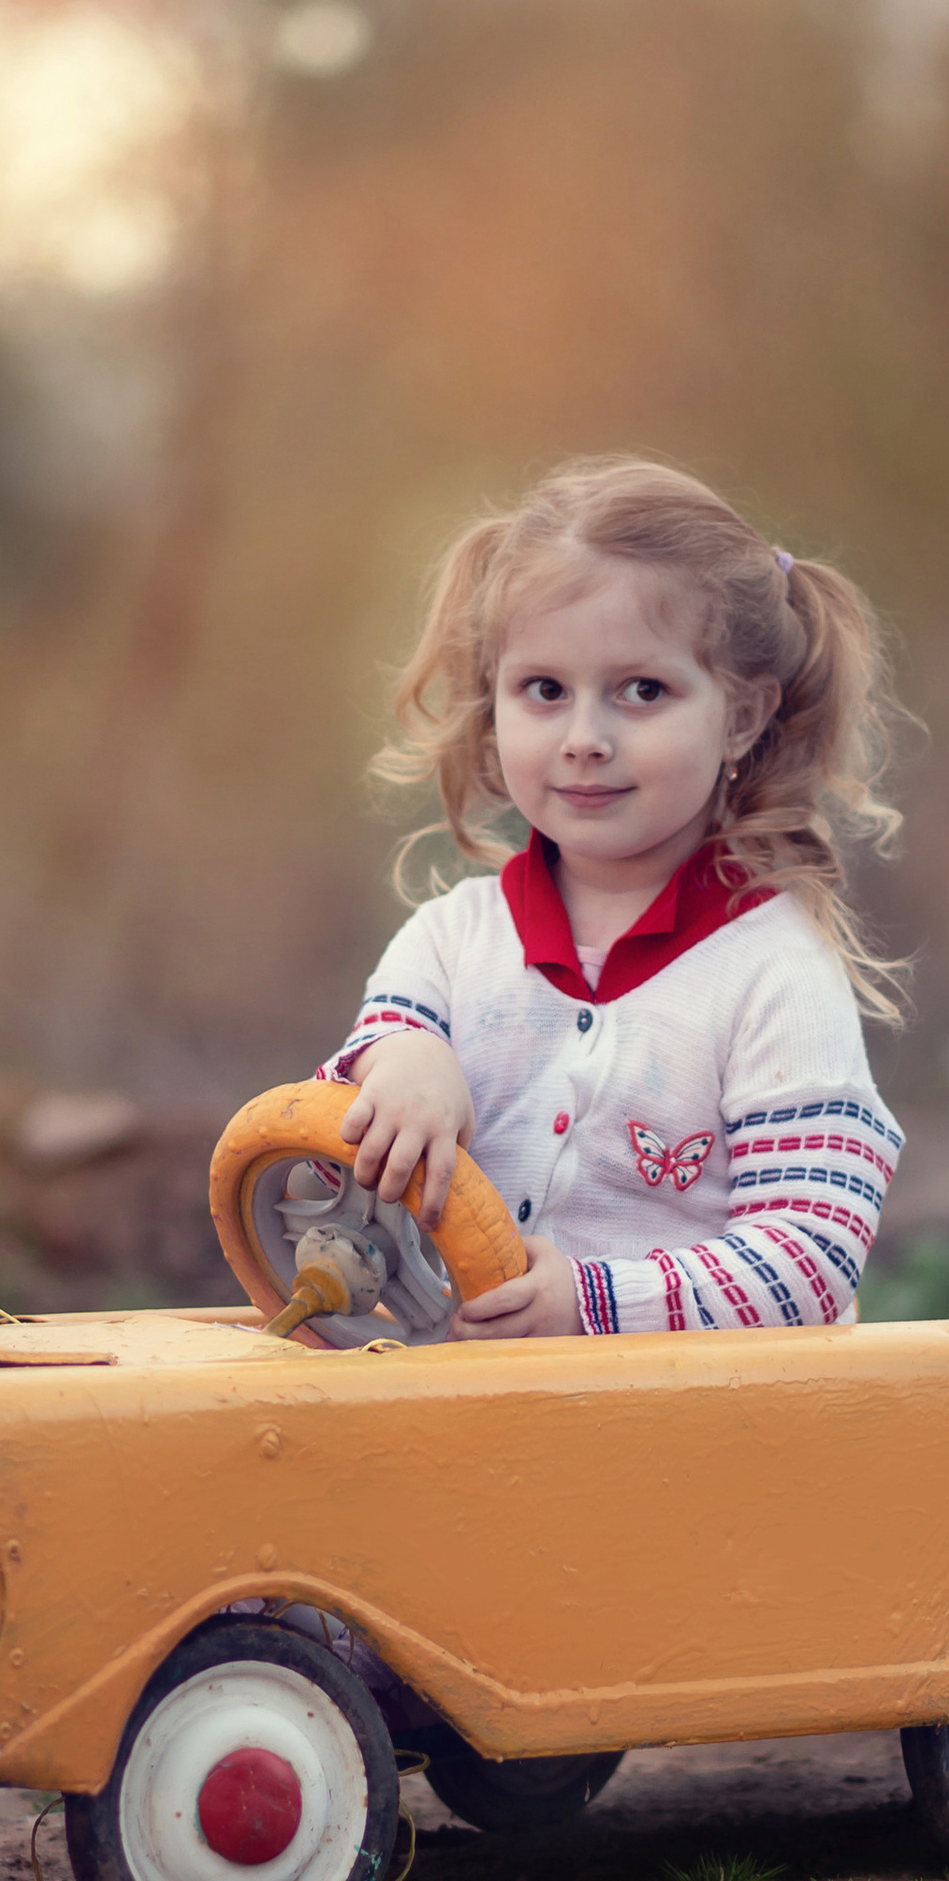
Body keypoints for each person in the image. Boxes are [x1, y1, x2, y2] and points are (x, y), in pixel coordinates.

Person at [318, 456, 905, 1338]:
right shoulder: (446, 944)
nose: (585, 739)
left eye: (643, 691)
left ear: (740, 717)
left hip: (693, 1443)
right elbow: (331, 1152)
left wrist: (593, 1305)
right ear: (496, 704)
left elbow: (811, 1255)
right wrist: (401, 1065)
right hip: (460, 1436)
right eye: (544, 690)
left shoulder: (775, 971)